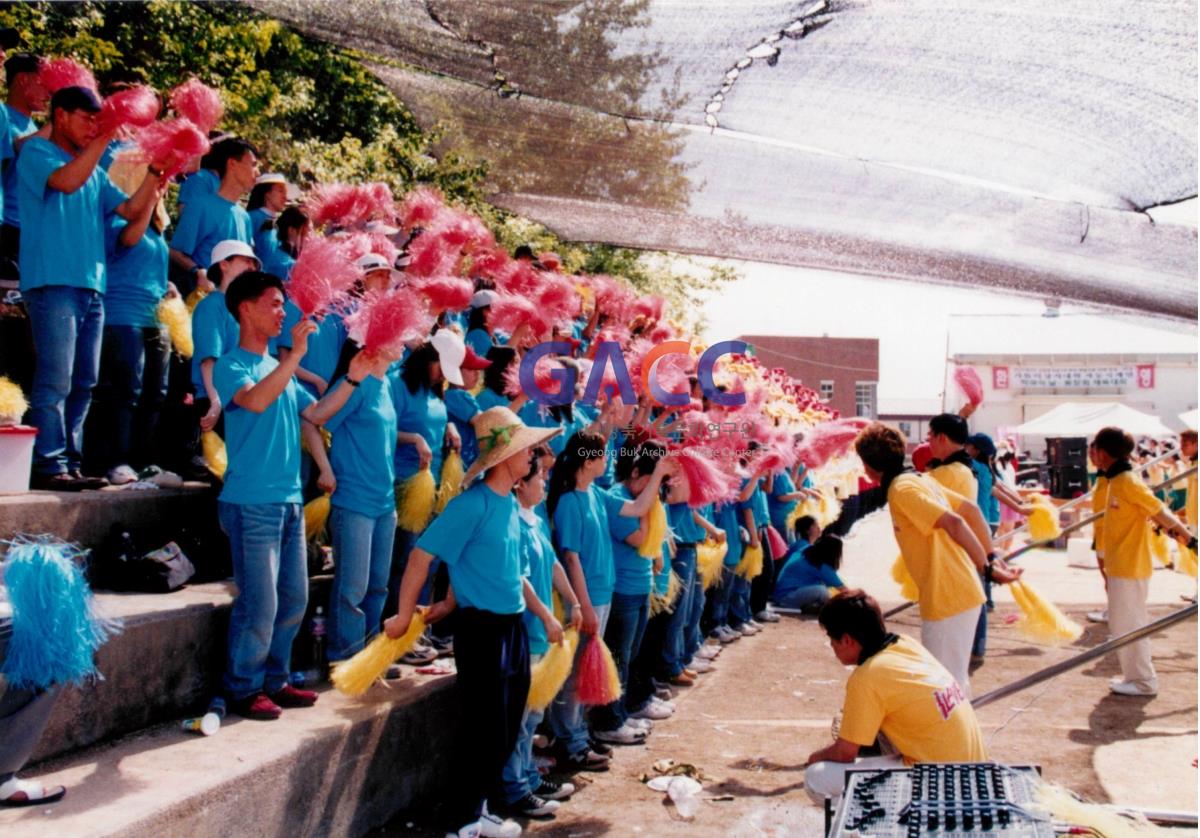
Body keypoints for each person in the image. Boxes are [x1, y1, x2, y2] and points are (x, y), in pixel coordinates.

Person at [383, 406, 561, 838]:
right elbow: (422, 557)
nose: (533, 458)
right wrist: (407, 613)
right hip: (482, 633)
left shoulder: (508, 505)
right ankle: (460, 821)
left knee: (502, 730)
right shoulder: (472, 505)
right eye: (526, 451)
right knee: (485, 731)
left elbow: (500, 569)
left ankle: (476, 810)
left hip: (512, 629)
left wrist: (446, 602)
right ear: (504, 457)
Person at [213, 270, 372, 719]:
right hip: (251, 502)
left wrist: (353, 379)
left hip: (288, 501)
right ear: (246, 308)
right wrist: (296, 355)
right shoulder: (233, 365)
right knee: (259, 603)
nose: (284, 312)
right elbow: (256, 401)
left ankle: (274, 680)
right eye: (275, 304)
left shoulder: (276, 370)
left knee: (294, 599)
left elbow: (317, 414)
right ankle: (242, 688)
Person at [19, 85, 164, 490]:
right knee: (56, 380)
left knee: (84, 381)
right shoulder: (37, 154)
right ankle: (48, 465)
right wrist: (105, 137)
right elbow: (65, 183)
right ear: (60, 115)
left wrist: (156, 175)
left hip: (92, 287)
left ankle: (71, 462)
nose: (93, 128)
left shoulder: (95, 171)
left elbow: (132, 211)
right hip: (53, 283)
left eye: (98, 123)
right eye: (87, 119)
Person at [854, 422, 1020, 694]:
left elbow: (956, 521)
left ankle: (957, 736)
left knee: (945, 687)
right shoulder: (919, 479)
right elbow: (971, 510)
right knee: (951, 682)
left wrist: (987, 566)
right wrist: (989, 555)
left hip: (948, 596)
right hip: (957, 592)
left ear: (871, 465)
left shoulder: (902, 489)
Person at [546, 430, 674, 769]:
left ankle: (578, 735)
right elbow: (570, 559)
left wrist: (659, 473)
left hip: (603, 594)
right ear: (588, 461)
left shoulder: (596, 495)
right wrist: (583, 605)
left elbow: (638, 506)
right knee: (574, 674)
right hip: (588, 601)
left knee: (586, 671)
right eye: (603, 456)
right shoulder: (570, 502)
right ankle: (569, 743)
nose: (609, 461)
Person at [804, 590, 988, 806]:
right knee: (882, 731)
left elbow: (845, 753)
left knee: (816, 777)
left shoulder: (867, 677)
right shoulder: (905, 644)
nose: (832, 646)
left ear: (847, 640)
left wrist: (814, 758)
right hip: (974, 771)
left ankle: (884, 823)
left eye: (832, 639)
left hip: (943, 784)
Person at [497, 453, 580, 821]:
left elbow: (554, 564)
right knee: (521, 720)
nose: (545, 482)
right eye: (539, 477)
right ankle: (516, 790)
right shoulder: (510, 519)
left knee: (532, 718)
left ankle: (528, 776)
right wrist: (547, 617)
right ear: (520, 483)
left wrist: (573, 602)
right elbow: (520, 578)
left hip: (544, 635)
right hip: (527, 632)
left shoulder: (536, 520)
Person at [1090, 426, 1195, 697]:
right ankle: (1134, 676)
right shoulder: (1117, 480)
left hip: (1130, 565)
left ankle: (1144, 681)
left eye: (1095, 449)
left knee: (1131, 624)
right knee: (1123, 624)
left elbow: (1160, 512)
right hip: (1121, 564)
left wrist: (1192, 543)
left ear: (1102, 453)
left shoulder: (1127, 481)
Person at [86, 160, 172, 478]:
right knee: (127, 390)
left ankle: (144, 460)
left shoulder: (158, 228)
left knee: (156, 393)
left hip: (156, 316)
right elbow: (128, 240)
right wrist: (149, 197)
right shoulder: (112, 217)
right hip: (122, 315)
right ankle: (117, 460)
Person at [322, 342, 401, 669]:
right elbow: (317, 420)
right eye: (394, 336)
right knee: (352, 588)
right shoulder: (354, 385)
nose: (401, 343)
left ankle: (367, 659)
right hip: (354, 499)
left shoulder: (386, 384)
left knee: (377, 587)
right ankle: (345, 660)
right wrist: (325, 468)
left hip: (385, 502)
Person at [593, 441, 667, 745]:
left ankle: (620, 714)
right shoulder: (615, 497)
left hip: (640, 587)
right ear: (635, 472)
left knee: (630, 657)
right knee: (619, 659)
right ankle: (608, 722)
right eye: (651, 482)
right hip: (622, 590)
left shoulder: (641, 498)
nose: (654, 490)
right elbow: (640, 539)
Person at [169, 137, 257, 293]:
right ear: (232, 164)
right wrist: (197, 271)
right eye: (253, 165)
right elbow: (175, 252)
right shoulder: (199, 206)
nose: (257, 173)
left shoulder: (245, 217)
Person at [191, 240, 260, 436]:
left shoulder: (248, 310)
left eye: (254, 263)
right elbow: (208, 361)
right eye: (246, 260)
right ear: (224, 264)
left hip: (246, 399)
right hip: (222, 401)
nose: (252, 267)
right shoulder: (211, 306)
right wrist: (216, 402)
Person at [0, 52, 48, 275]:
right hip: (7, 227)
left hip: (29, 230)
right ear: (22, 79)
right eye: (43, 83)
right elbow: (18, 146)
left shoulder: (33, 127)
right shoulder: (4, 117)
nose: (48, 92)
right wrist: (61, 120)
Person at [773, 533, 845, 613]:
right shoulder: (821, 564)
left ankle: (812, 606)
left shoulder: (810, 555)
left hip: (784, 595)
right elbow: (843, 589)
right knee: (822, 591)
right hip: (786, 597)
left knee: (825, 590)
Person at [925, 413, 977, 499]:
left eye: (930, 435)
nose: (928, 440)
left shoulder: (947, 472)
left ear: (942, 438)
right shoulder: (966, 467)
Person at [246, 172, 287, 267]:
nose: (285, 197)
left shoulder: (275, 222)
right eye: (281, 191)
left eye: (285, 192)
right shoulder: (252, 217)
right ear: (267, 194)